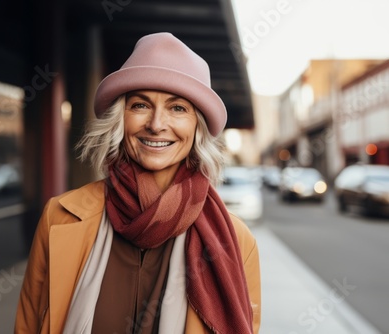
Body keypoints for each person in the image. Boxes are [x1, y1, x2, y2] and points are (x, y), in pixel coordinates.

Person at [15, 32, 261, 334]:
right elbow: (27, 326)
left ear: (197, 126)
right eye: (140, 105)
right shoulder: (60, 216)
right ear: (121, 118)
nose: (157, 124)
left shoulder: (235, 240)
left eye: (178, 108)